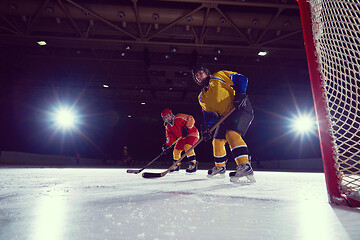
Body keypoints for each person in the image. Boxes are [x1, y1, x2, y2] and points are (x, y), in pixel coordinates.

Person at [192, 65, 255, 183]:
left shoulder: (218, 76)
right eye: (196, 76)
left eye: (200, 73)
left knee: (231, 134)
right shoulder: (202, 97)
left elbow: (241, 78)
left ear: (207, 73)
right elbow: (209, 115)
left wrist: (241, 94)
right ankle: (220, 167)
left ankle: (245, 166)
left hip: (240, 109)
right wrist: (207, 128)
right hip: (225, 117)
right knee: (217, 141)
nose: (199, 77)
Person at [161, 108, 200, 173]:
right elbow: (170, 137)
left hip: (192, 133)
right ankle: (176, 165)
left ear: (171, 114)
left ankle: (193, 164)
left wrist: (187, 127)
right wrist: (167, 145)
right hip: (182, 137)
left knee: (187, 147)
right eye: (165, 118)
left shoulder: (179, 117)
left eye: (167, 116)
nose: (167, 118)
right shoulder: (168, 127)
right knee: (176, 150)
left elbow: (190, 118)